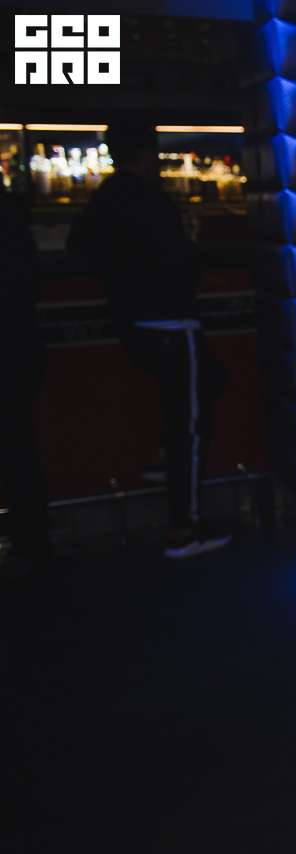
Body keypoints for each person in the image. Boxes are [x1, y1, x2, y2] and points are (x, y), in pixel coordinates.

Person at [67, 120, 230, 559]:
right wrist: (188, 243)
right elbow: (182, 263)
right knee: (189, 426)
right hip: (171, 324)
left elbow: (76, 246)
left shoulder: (106, 197)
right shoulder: (151, 201)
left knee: (208, 382)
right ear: (146, 153)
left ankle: (163, 463)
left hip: (134, 326)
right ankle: (184, 530)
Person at [0, 191, 51, 581]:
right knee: (17, 450)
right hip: (16, 348)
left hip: (10, 351)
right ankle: (30, 546)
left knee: (16, 451)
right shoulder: (10, 219)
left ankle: (30, 546)